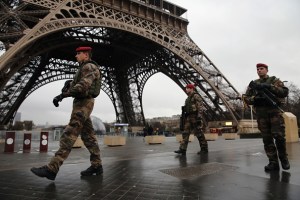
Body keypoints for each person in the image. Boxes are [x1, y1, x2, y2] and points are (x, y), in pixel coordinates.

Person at [31, 46, 103, 180]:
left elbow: (82, 86)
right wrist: (69, 84)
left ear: (86, 55)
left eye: (78, 53)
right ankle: (97, 165)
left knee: (69, 134)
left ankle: (52, 168)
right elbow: (79, 84)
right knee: (89, 137)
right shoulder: (84, 67)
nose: (76, 56)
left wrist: (62, 95)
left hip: (83, 104)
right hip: (82, 103)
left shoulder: (89, 67)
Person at [243, 63, 290, 171]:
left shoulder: (274, 80)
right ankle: (273, 162)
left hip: (274, 113)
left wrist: (269, 87)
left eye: (261, 68)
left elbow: (284, 92)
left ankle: (284, 159)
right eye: (258, 69)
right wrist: (255, 99)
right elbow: (246, 98)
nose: (259, 70)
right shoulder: (254, 84)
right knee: (267, 139)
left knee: (279, 137)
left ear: (267, 70)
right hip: (261, 114)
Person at [174, 84, 208, 156]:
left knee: (199, 133)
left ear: (191, 88)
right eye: (186, 88)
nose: (186, 89)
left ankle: (204, 149)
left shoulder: (196, 96)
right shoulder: (188, 98)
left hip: (195, 116)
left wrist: (199, 117)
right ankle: (182, 149)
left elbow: (200, 107)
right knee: (185, 133)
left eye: (187, 88)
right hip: (189, 117)